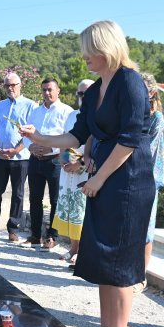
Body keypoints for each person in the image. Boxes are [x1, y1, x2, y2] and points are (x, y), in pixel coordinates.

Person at [20, 20, 155, 327]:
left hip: (128, 181)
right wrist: (41, 140)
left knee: (122, 264)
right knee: (103, 262)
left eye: (88, 50)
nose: (84, 58)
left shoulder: (130, 82)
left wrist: (98, 179)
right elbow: (77, 134)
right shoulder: (96, 90)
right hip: (104, 180)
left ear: (106, 46)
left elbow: (131, 139)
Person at [0, 72, 37, 243]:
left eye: (13, 85)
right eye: (7, 85)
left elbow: (31, 134)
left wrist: (15, 150)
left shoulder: (30, 106)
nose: (10, 88)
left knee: (18, 194)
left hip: (20, 158)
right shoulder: (1, 106)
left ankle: (13, 229)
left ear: (20, 85)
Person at [25, 78, 73, 249]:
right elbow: (26, 133)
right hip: (35, 160)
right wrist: (31, 146)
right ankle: (35, 236)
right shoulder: (35, 112)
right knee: (34, 199)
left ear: (58, 90)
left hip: (54, 161)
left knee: (55, 200)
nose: (47, 93)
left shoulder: (67, 111)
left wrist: (50, 148)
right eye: (44, 90)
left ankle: (52, 237)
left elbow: (69, 138)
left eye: (50, 89)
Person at [52, 79, 94, 266]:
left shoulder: (98, 115)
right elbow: (64, 138)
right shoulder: (72, 115)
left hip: (86, 169)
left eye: (87, 93)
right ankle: (73, 248)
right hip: (68, 168)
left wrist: (80, 163)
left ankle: (84, 252)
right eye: (80, 93)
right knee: (71, 209)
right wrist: (64, 160)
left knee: (82, 210)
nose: (83, 97)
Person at [136, 73, 164, 293]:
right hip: (130, 175)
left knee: (146, 227)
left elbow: (150, 151)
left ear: (151, 93)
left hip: (148, 177)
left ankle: (141, 275)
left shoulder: (156, 118)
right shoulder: (131, 113)